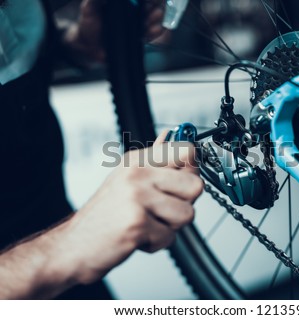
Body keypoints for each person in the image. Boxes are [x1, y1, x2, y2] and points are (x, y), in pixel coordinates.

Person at [0, 0, 203, 299]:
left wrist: (80, 45)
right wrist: (61, 249)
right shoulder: (65, 252)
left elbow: (14, 54)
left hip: (54, 226)